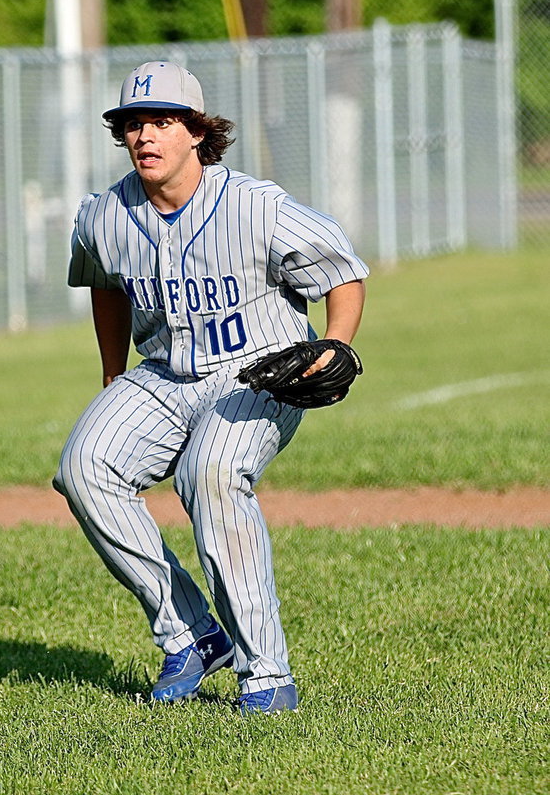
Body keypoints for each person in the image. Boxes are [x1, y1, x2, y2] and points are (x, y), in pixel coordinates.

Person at [53, 60, 368, 715]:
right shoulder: (104, 215)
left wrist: (336, 341)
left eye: (163, 122)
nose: (146, 136)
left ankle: (266, 674)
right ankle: (191, 634)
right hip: (164, 374)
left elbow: (342, 271)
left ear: (196, 132)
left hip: (257, 372)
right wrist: (114, 373)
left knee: (213, 471)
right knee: (86, 466)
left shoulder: (256, 207)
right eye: (134, 123)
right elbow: (105, 284)